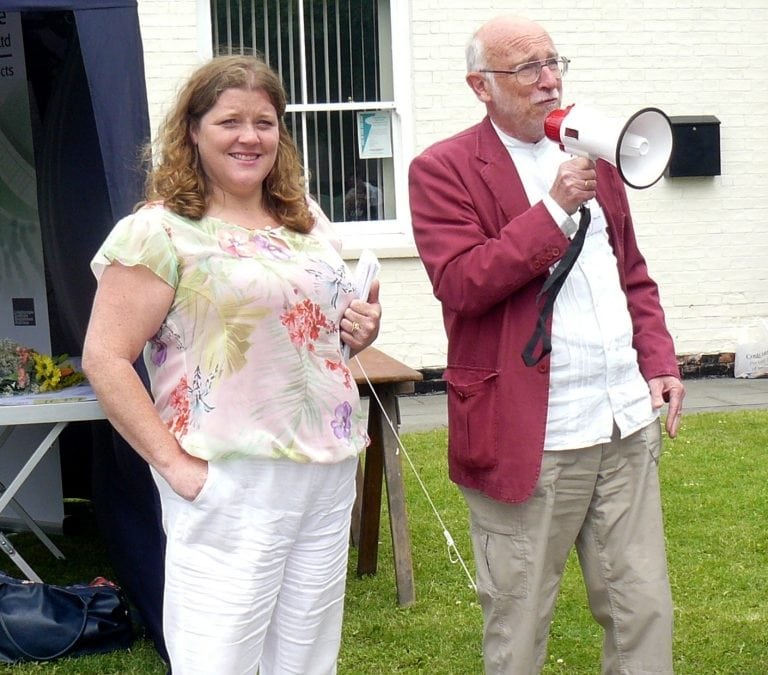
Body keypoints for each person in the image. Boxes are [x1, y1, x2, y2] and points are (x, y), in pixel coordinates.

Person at [82, 54, 381, 674]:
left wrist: (359, 328)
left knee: (305, 658)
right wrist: (174, 465)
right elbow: (106, 358)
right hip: (229, 477)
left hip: (325, 471)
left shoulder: (306, 222)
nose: (250, 137)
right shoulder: (158, 232)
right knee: (219, 656)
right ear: (192, 130)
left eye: (265, 122)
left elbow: (312, 337)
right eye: (230, 121)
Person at [408, 15, 685, 675]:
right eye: (528, 68)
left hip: (621, 416)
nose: (550, 79)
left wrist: (660, 360)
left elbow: (631, 272)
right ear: (481, 85)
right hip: (532, 433)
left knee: (643, 608)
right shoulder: (442, 169)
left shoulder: (592, 152)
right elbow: (462, 283)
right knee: (520, 619)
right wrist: (553, 211)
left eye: (555, 61)